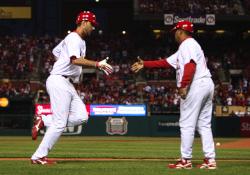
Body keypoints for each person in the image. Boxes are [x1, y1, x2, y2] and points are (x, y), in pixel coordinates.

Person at [131, 20, 216, 169]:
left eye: (176, 31)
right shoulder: (190, 45)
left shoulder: (187, 44)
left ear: (180, 31)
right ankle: (210, 160)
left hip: (195, 85)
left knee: (186, 124)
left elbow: (190, 65)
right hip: (207, 84)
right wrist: (145, 64)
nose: (174, 34)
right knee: (204, 124)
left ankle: (186, 160)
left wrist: (183, 85)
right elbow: (166, 62)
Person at [31, 11, 113, 165]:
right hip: (59, 80)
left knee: (82, 116)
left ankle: (44, 119)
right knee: (60, 123)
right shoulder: (74, 38)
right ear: (83, 22)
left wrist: (62, 61)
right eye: (92, 24)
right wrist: (97, 64)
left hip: (66, 83)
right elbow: (75, 60)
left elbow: (56, 51)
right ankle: (38, 157)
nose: (93, 28)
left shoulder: (77, 40)